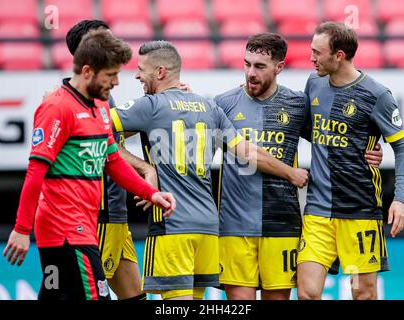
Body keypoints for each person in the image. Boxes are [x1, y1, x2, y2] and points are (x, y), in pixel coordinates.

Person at [110, 40, 309, 300]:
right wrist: (290, 172)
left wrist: (145, 168)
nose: (136, 75)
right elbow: (247, 151)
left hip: (172, 223)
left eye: (141, 69)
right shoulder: (210, 107)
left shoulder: (150, 105)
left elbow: (98, 127)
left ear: (160, 72)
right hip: (207, 226)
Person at [2, 30, 176, 300]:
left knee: (56, 295)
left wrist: (150, 193)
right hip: (65, 229)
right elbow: (36, 172)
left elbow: (113, 161)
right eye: (111, 75)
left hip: (83, 226)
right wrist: (22, 229)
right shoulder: (56, 107)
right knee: (96, 296)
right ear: (87, 71)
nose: (117, 82)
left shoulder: (100, 106)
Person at [214, 33, 383, 300]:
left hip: (283, 223)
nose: (250, 73)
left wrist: (369, 149)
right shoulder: (223, 104)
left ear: (279, 67)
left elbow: (332, 137)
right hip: (235, 226)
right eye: (246, 64)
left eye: (259, 66)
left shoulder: (297, 104)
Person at [296, 22, 404, 300]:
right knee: (307, 292)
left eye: (317, 52)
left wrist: (400, 199)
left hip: (360, 210)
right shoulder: (313, 82)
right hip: (317, 210)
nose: (311, 58)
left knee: (363, 292)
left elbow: (403, 148)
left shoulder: (377, 95)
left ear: (339, 55)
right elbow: (312, 131)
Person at [65, 19, 156, 300]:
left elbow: (111, 139)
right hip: (98, 217)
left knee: (134, 296)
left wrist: (168, 97)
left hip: (116, 216)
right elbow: (109, 153)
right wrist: (145, 170)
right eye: (106, 40)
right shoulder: (82, 99)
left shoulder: (103, 96)